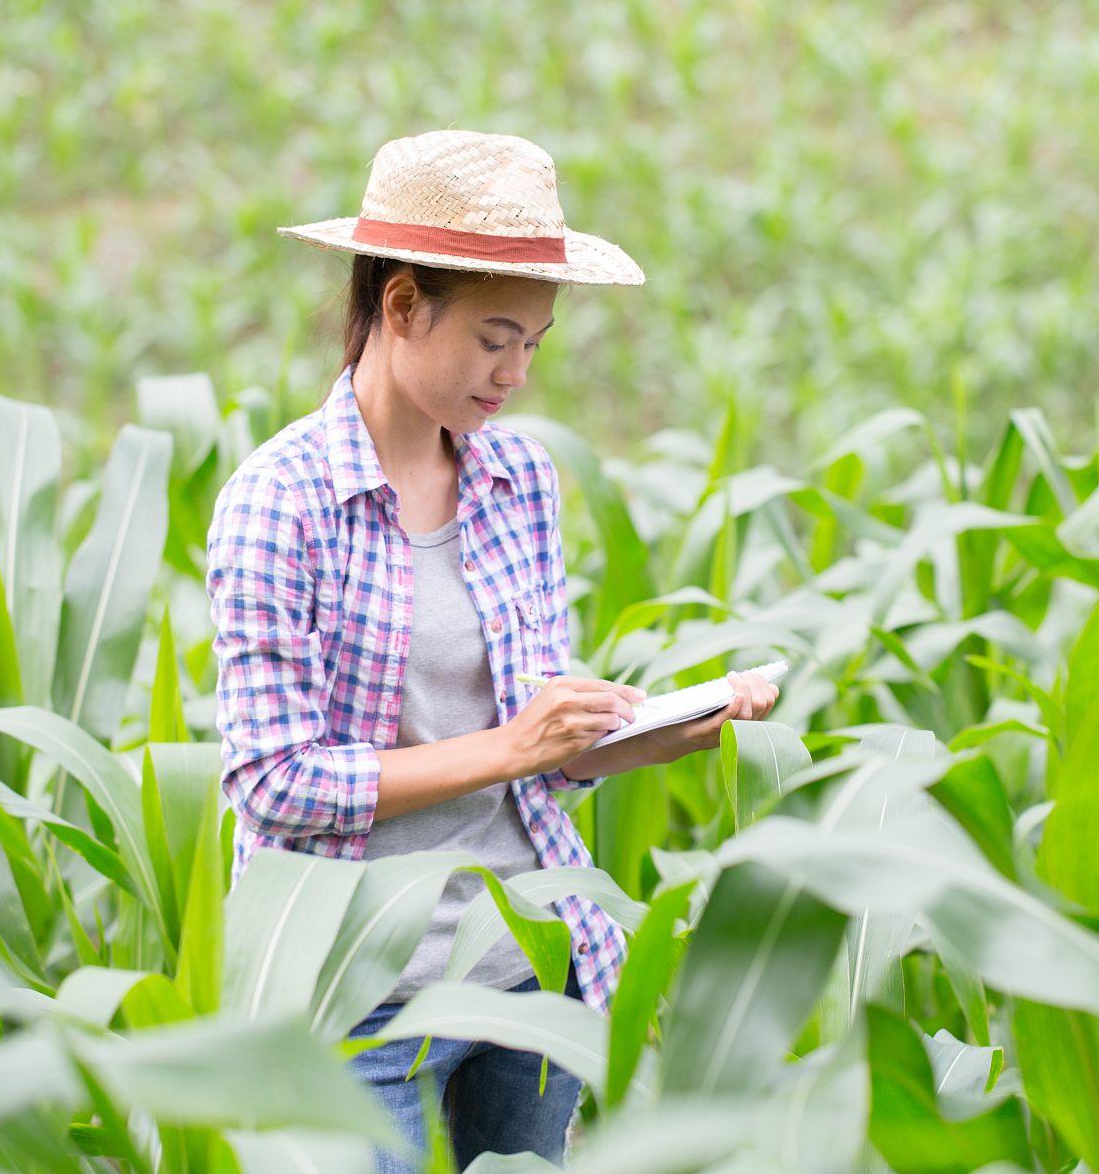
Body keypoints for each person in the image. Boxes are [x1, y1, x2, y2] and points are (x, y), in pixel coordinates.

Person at [207, 130, 778, 1174]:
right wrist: (517, 746)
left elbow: (537, 748)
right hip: (357, 990)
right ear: (400, 306)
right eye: (494, 339)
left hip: (528, 965)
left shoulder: (517, 480)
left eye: (536, 344)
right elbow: (273, 783)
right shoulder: (277, 503)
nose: (516, 374)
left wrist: (643, 735)